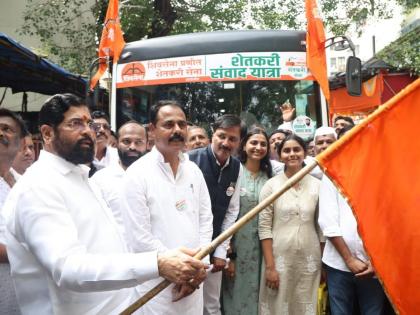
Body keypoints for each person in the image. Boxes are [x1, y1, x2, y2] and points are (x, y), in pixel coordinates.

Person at [3, 94, 208, 315]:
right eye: (75, 123)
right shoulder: (38, 186)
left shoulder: (80, 178)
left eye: (89, 123)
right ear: (47, 133)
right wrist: (158, 263)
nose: (88, 131)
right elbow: (69, 269)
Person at [120, 100, 213, 315]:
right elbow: (139, 238)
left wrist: (200, 265)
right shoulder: (136, 175)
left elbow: (206, 220)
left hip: (193, 282)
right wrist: (181, 268)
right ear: (151, 130)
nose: (177, 130)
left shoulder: (193, 171)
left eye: (182, 124)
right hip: (157, 286)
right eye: (169, 125)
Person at [318, 126, 386, 315]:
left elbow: (387, 223)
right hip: (339, 263)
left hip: (374, 266)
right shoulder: (331, 173)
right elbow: (328, 222)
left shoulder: (380, 173)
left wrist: (377, 262)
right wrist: (349, 259)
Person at [258, 134, 323, 315]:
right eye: (286, 150)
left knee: (305, 304)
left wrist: (323, 263)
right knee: (278, 306)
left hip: (309, 260)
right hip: (278, 259)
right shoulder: (271, 186)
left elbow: (322, 228)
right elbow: (264, 228)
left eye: (297, 149)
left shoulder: (317, 186)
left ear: (305, 153)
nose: (292, 154)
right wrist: (271, 267)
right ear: (279, 156)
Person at [188, 114, 242, 315]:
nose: (226, 143)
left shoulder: (237, 168)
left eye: (232, 139)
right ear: (213, 135)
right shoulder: (190, 161)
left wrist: (220, 251)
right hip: (189, 247)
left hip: (215, 247)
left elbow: (231, 212)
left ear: (239, 142)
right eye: (222, 136)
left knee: (211, 305)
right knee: (185, 301)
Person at [222, 127, 272, 315]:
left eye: (263, 144)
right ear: (244, 146)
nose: (258, 147)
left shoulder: (270, 177)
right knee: (234, 297)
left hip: (263, 250)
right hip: (236, 250)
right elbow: (225, 216)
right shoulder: (233, 172)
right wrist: (229, 255)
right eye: (253, 143)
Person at [91, 120, 148, 229]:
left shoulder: (157, 177)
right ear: (116, 143)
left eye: (138, 142)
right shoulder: (99, 180)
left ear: (147, 144)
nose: (132, 147)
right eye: (126, 141)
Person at [0, 108, 27, 315]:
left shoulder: (24, 183)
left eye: (6, 129)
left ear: (19, 143)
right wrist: (30, 254)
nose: (0, 133)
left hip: (22, 285)